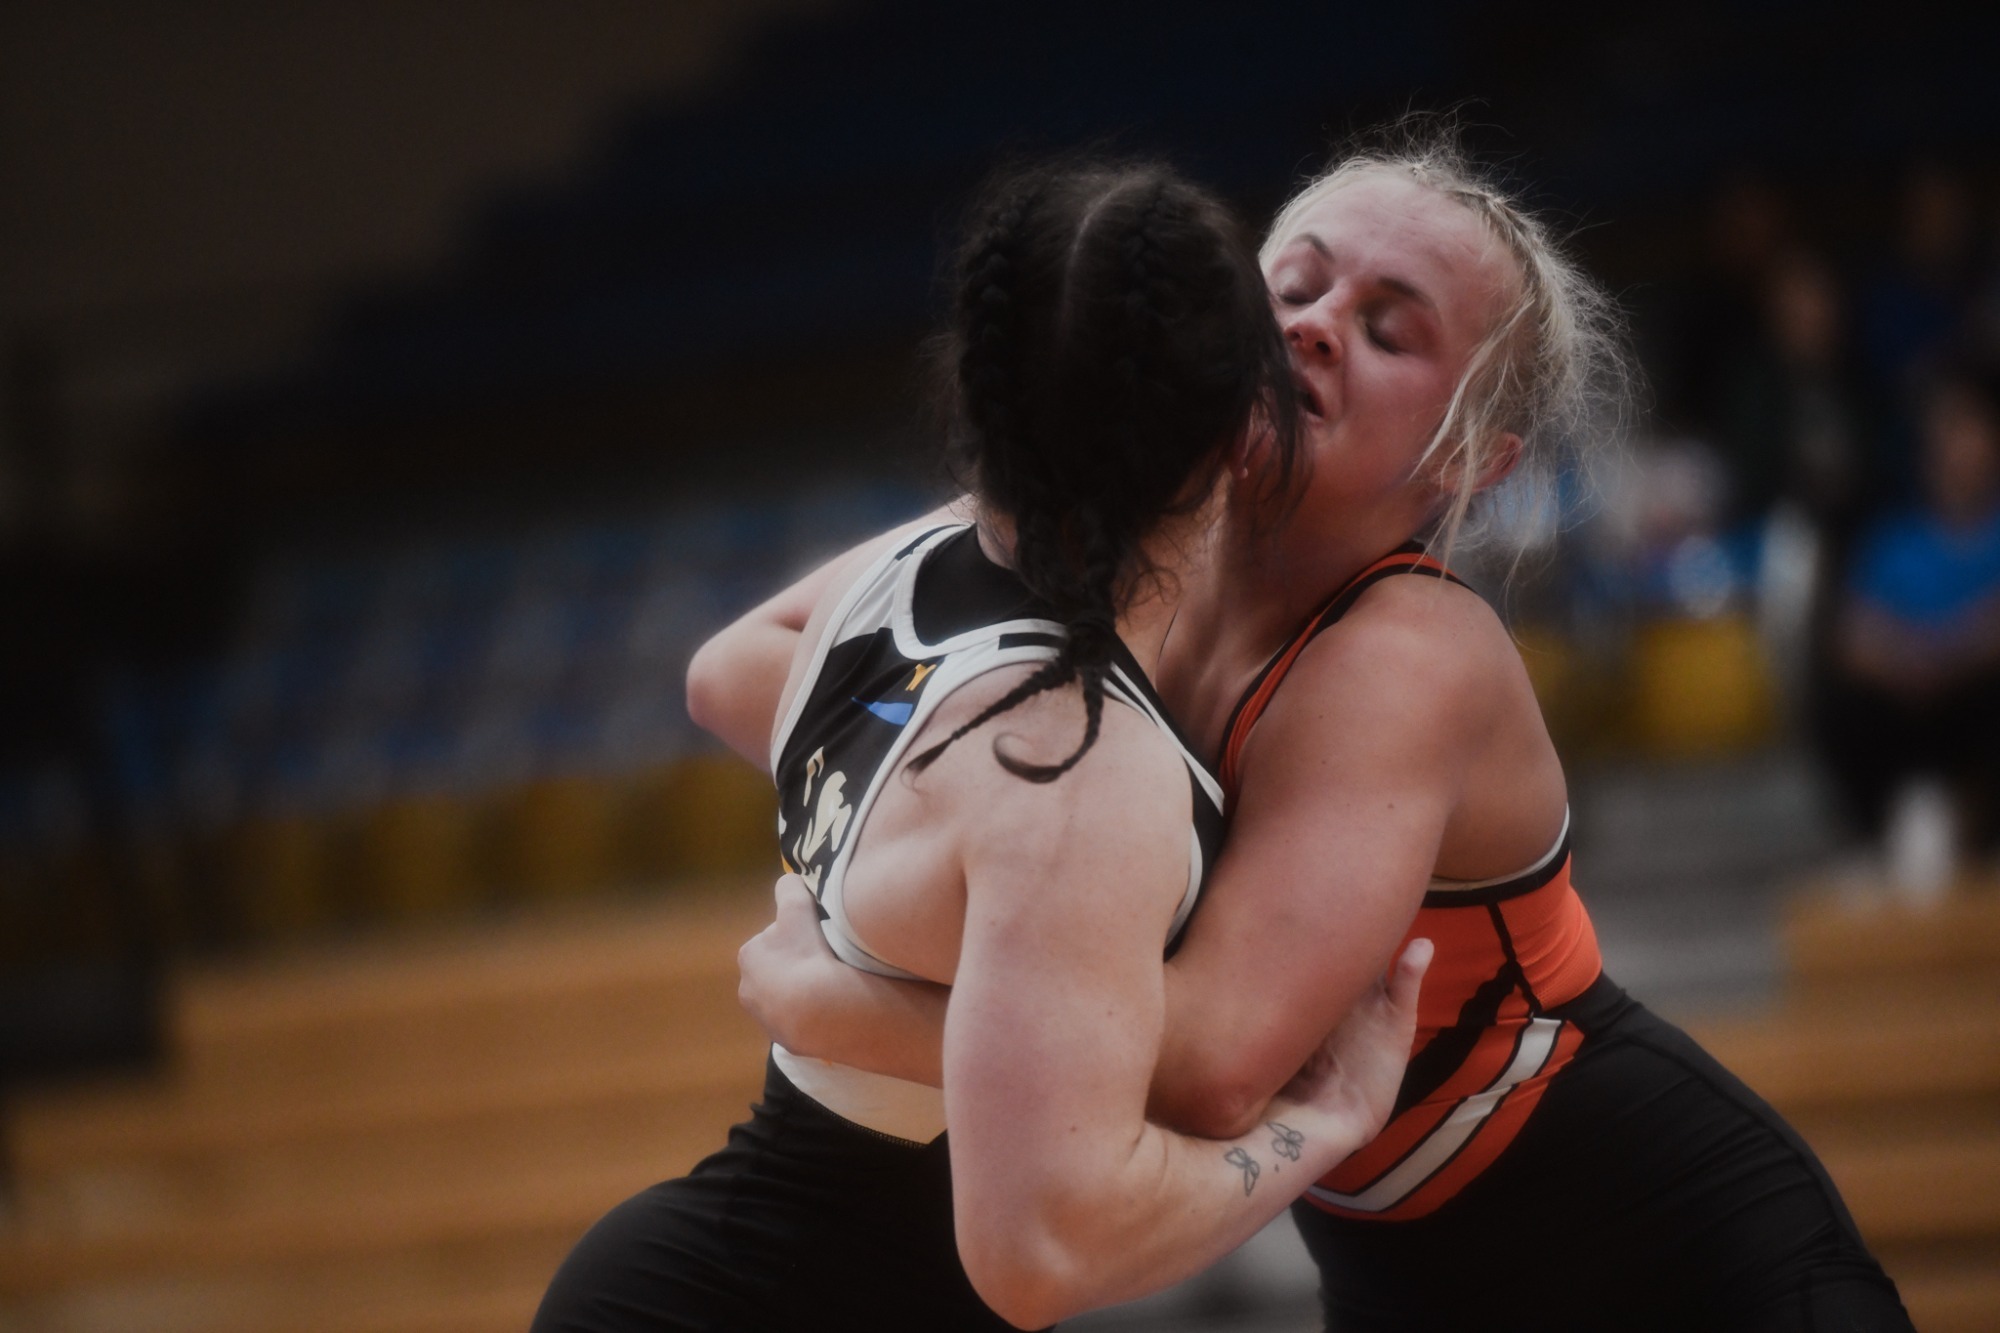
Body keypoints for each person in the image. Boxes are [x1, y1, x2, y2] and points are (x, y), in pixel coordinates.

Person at [737, 126, 1916, 1332]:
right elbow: (757, 665)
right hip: (1392, 1271)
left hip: (1670, 1257)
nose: (1312, 326)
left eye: (1386, 328)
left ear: (1472, 458)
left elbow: (1211, 1067)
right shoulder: (1119, 509)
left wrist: (844, 997)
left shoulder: (1407, 653)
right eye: (1293, 287)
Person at [531, 157, 1427, 1333]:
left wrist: (906, 942)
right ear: (1235, 433)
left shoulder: (917, 564)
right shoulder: (1069, 768)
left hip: (696, 1269)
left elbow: (719, 678)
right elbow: (1042, 1250)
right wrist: (1324, 1122)